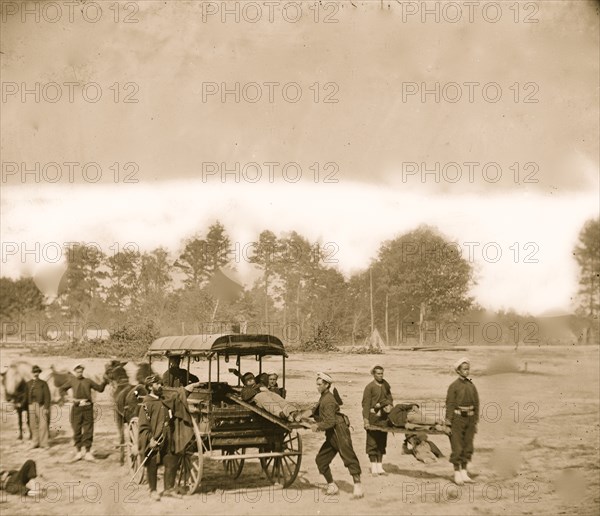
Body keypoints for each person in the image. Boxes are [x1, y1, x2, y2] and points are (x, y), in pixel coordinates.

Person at [138, 374, 201, 501]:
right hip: (155, 438)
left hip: (168, 436)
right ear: (150, 387)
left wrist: (187, 389)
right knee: (152, 462)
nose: (160, 386)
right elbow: (143, 425)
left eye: (161, 383)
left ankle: (169, 489)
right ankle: (153, 490)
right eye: (157, 384)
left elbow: (176, 398)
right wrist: (150, 439)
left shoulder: (164, 398)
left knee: (171, 460)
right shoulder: (147, 404)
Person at [310, 372, 363, 499]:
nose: (317, 387)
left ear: (327, 385)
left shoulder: (328, 399)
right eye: (316, 384)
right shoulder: (324, 396)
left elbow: (330, 422)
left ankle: (358, 486)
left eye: (320, 384)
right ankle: (332, 486)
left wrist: (317, 426)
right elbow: (317, 412)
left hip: (339, 431)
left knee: (348, 456)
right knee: (321, 460)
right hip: (331, 433)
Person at [59, 364, 108, 462]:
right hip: (76, 408)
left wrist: (105, 381)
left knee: (88, 430)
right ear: (75, 372)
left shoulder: (88, 381)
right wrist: (68, 397)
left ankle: (88, 452)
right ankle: (78, 452)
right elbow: (62, 389)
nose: (79, 373)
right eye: (77, 371)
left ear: (83, 371)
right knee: (76, 429)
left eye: (81, 371)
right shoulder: (72, 381)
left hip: (88, 408)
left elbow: (100, 389)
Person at [445, 357, 479, 486]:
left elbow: (476, 404)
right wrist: (448, 423)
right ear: (458, 371)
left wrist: (475, 421)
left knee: (468, 447)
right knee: (457, 447)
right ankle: (457, 474)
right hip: (457, 420)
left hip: (469, 420)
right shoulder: (454, 386)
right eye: (464, 369)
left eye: (468, 369)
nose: (467, 371)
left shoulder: (471, 386)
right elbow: (450, 405)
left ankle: (464, 472)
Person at [362, 365, 393, 476]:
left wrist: (386, 405)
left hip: (383, 419)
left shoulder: (386, 384)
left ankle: (380, 467)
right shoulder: (369, 387)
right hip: (373, 418)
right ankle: (373, 468)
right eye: (378, 373)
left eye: (382, 373)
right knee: (372, 443)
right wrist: (366, 420)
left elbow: (390, 397)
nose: (380, 375)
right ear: (373, 374)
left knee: (381, 443)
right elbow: (365, 405)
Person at [26, 365, 51, 450]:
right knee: (32, 424)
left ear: (39, 373)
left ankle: (44, 443)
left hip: (41, 406)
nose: (35, 374)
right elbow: (25, 396)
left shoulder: (43, 383)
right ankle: (35, 442)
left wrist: (46, 407)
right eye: (34, 372)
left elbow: (47, 396)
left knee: (43, 424)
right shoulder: (28, 383)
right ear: (32, 373)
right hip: (31, 405)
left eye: (37, 372)